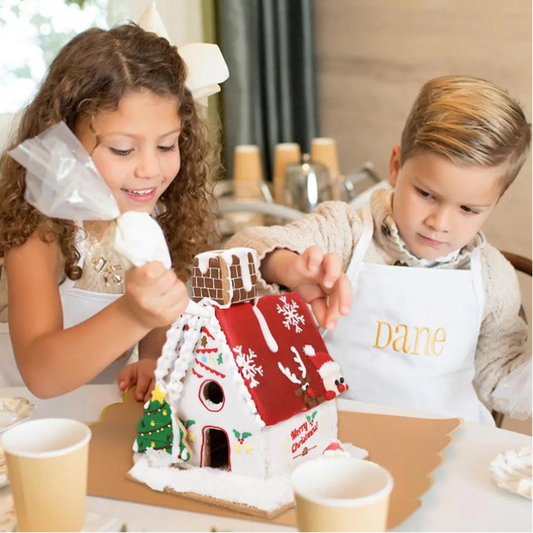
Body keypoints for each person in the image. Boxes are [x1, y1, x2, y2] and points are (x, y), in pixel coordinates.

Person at [228, 75, 532, 425]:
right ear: (396, 166)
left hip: (449, 447)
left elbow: (503, 385)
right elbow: (241, 249)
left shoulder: (493, 277)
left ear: (496, 201)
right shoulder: (345, 232)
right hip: (340, 443)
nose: (439, 222)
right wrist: (288, 267)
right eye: (426, 194)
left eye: (468, 210)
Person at [0, 23, 218, 400]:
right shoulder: (40, 229)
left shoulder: (156, 216)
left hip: (96, 421)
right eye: (121, 150)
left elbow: (157, 320)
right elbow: (40, 373)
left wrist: (152, 357)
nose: (149, 169)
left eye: (166, 146)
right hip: (22, 428)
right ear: (64, 140)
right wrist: (133, 314)